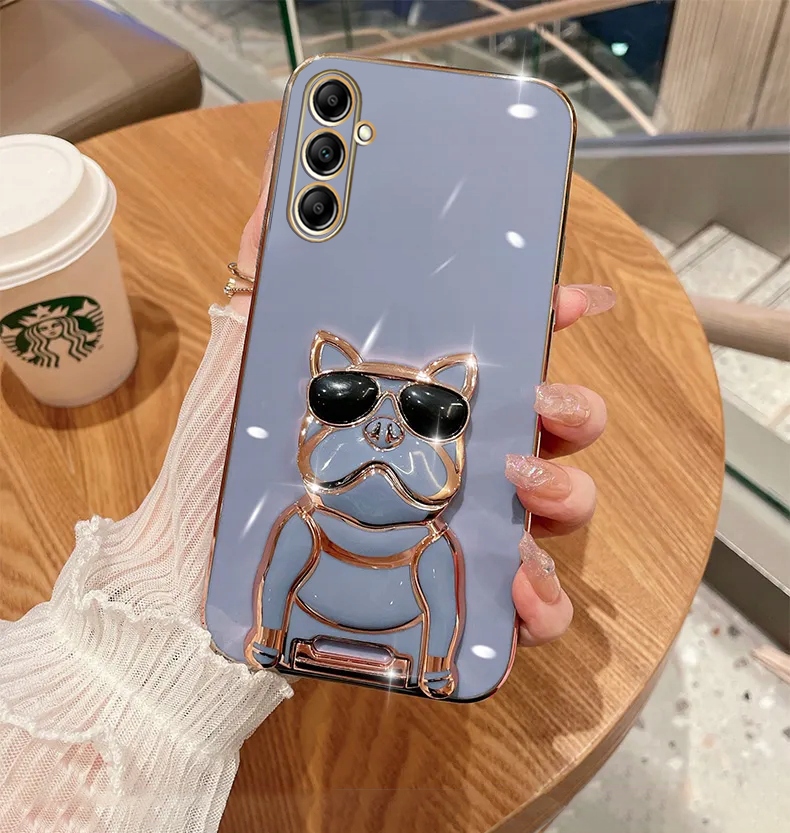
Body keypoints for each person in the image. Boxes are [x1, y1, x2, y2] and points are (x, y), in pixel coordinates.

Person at [0, 133, 615, 833]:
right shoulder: (302, 521)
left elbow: (442, 612)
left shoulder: (428, 545)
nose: (385, 432)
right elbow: (275, 592)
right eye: (346, 399)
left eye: (427, 412)